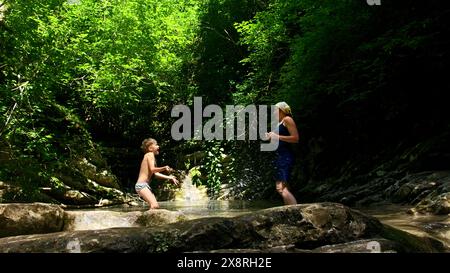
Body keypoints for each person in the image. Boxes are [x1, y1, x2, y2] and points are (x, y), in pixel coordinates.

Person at [265, 102, 299, 205]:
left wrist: (276, 136)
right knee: (285, 187)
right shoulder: (279, 123)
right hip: (280, 157)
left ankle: (296, 212)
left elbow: (295, 138)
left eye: (275, 110)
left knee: (281, 188)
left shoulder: (287, 120)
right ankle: (290, 213)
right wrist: (271, 137)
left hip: (285, 156)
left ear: (281, 110)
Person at [136, 138, 179, 209]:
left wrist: (170, 177)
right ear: (150, 148)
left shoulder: (149, 156)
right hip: (142, 185)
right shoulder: (150, 154)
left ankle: (147, 219)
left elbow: (155, 174)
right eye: (156, 145)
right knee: (154, 206)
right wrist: (164, 168)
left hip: (143, 186)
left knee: (155, 206)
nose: (158, 146)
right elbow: (153, 170)